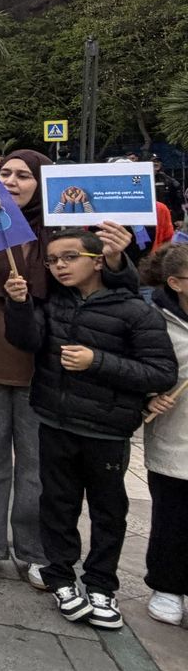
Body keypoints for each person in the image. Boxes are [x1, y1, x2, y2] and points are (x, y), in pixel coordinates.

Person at [0, 149, 137, 587]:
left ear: (42, 184)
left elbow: (115, 295)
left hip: (46, 369)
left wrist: (113, 258)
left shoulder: (66, 233)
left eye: (23, 175)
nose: (12, 181)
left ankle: (35, 552)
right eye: (5, 174)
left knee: (38, 468)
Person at [4, 229, 176, 628]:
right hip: (55, 420)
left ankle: (101, 585)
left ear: (98, 260)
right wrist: (18, 304)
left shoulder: (135, 311)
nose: (60, 266)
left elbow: (161, 371)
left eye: (69, 257)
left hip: (106, 428)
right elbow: (28, 340)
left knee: (108, 510)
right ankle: (61, 577)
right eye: (53, 260)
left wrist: (96, 361)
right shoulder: (54, 304)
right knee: (58, 504)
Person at [141, 245, 188, 625]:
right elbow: (143, 367)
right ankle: (167, 584)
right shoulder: (155, 319)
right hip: (175, 436)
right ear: (175, 283)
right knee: (172, 514)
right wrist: (148, 399)